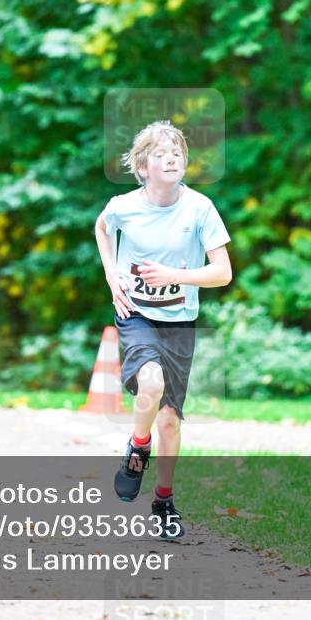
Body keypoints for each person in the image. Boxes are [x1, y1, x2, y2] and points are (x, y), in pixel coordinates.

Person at [94, 120, 232, 540]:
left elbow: (223, 273)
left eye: (177, 153)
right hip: (136, 314)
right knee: (149, 384)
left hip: (179, 322)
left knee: (170, 421)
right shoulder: (122, 206)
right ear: (142, 166)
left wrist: (175, 275)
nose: (171, 159)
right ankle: (138, 447)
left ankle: (164, 502)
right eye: (160, 154)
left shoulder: (200, 209)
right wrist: (111, 275)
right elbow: (102, 228)